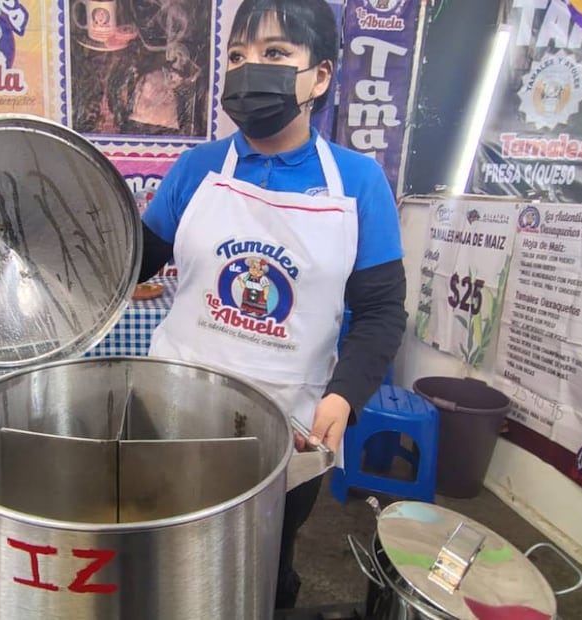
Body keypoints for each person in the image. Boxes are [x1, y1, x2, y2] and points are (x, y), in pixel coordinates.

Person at [137, 0, 407, 608]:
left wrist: (344, 396)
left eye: (276, 54)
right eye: (237, 56)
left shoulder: (358, 184)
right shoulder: (198, 169)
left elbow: (383, 312)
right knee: (164, 560)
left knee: (261, 570)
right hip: (172, 412)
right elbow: (138, 264)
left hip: (288, 430)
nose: (249, 68)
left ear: (321, 77)